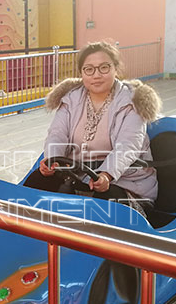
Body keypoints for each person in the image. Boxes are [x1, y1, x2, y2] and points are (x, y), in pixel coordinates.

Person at [24, 41, 162, 215]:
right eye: (89, 69)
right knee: (37, 180)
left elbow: (128, 146)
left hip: (124, 182)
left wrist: (107, 175)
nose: (96, 75)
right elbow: (57, 134)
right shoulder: (71, 99)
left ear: (115, 69)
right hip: (76, 176)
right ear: (81, 73)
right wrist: (53, 161)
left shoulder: (131, 101)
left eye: (104, 67)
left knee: (105, 200)